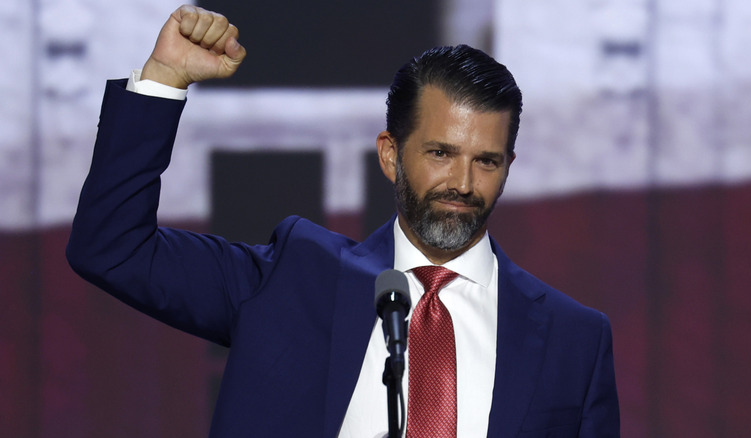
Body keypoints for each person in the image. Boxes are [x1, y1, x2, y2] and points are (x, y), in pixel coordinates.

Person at [67, 5, 619, 437]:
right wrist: (164, 79)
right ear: (389, 155)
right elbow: (112, 247)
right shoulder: (293, 278)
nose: (464, 184)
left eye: (487, 161)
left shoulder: (574, 339)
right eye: (440, 154)